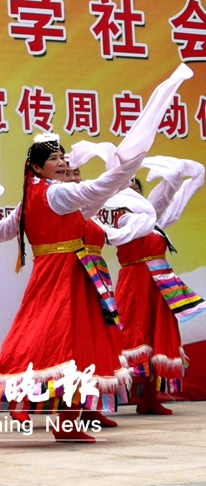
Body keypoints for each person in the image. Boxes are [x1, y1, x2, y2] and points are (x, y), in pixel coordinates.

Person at [0, 64, 193, 447]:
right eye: (54, 158)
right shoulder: (57, 195)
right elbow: (97, 189)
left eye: (63, 156)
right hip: (62, 279)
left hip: (76, 278)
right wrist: (123, 165)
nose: (62, 162)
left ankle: (66, 420)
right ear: (35, 167)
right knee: (29, 347)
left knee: (72, 348)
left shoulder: (36, 200)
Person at [76, 150, 205, 415]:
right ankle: (96, 401)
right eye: (127, 183)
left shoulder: (153, 221)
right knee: (126, 337)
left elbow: (170, 201)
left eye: (136, 183)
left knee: (159, 338)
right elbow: (125, 230)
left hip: (160, 285)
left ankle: (149, 396)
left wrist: (180, 177)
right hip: (135, 283)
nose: (132, 185)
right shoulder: (121, 219)